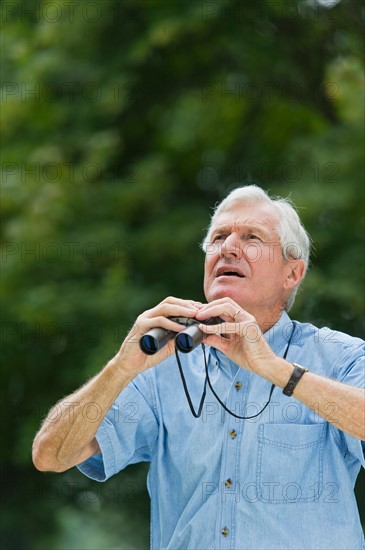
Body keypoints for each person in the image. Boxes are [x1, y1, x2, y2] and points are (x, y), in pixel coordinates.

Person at [32, 185, 365, 550]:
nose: (228, 248)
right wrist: (120, 368)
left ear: (292, 273)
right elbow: (51, 455)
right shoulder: (161, 366)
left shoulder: (341, 357)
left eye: (251, 237)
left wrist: (275, 368)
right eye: (218, 237)